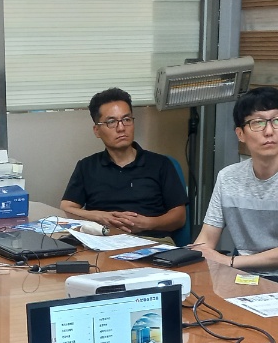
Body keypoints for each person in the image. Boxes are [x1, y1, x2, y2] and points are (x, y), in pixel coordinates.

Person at [190, 86, 278, 288]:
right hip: (242, 278)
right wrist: (193, 257)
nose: (269, 131)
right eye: (258, 123)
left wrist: (228, 261)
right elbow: (207, 239)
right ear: (240, 134)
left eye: (277, 121)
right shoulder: (228, 177)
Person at [60, 87, 187, 236]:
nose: (121, 128)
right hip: (103, 242)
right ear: (97, 131)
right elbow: (66, 208)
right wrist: (99, 216)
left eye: (126, 120)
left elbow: (179, 217)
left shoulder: (161, 164)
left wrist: (146, 224)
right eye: (111, 122)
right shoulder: (86, 167)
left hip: (152, 243)